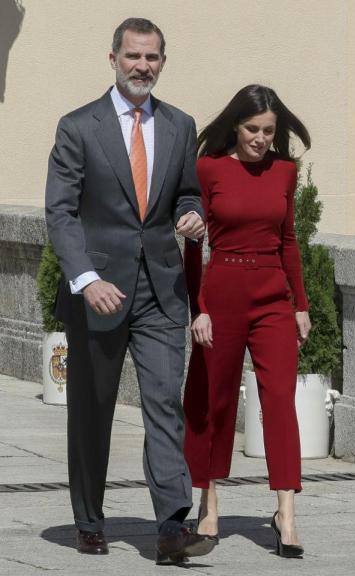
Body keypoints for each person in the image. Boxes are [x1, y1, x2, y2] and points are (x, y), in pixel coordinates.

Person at [44, 17, 216, 565]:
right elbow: (61, 212)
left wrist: (191, 217)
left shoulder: (180, 125)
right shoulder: (78, 127)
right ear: (113, 58)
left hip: (161, 291)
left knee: (165, 403)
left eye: (153, 58)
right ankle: (89, 520)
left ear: (163, 62)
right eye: (134, 56)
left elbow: (188, 195)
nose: (143, 66)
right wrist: (86, 279)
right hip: (99, 291)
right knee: (92, 411)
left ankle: (170, 525)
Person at [182, 84, 312, 559]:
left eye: (269, 131)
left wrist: (301, 305)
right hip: (223, 293)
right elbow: (194, 246)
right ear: (235, 126)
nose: (260, 139)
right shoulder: (208, 168)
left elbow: (290, 240)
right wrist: (198, 308)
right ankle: (209, 501)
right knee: (213, 399)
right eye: (252, 129)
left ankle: (287, 513)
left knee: (279, 397)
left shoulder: (285, 171)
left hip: (273, 296)